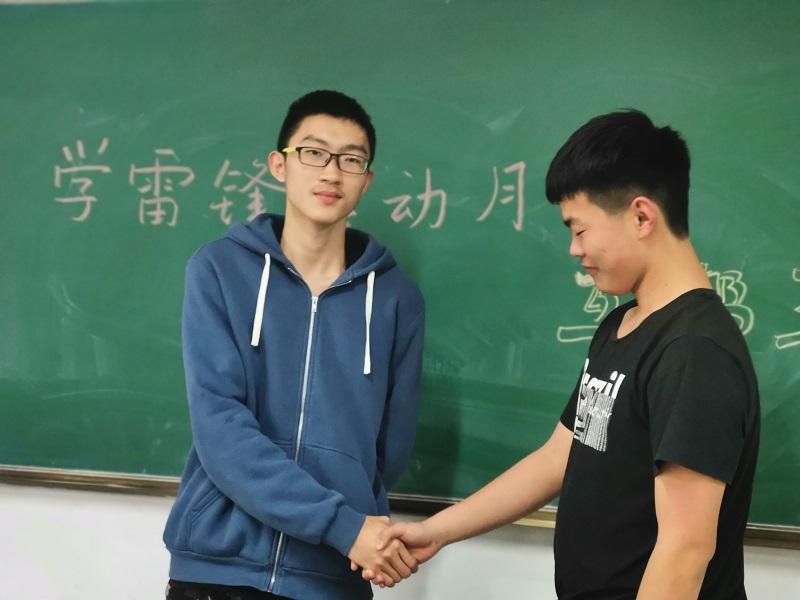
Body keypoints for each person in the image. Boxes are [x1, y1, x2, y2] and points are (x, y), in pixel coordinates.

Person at [367, 109, 760, 599]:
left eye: (579, 228)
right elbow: (561, 454)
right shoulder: (622, 324)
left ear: (641, 217)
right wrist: (438, 531)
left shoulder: (694, 352)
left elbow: (685, 551)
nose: (574, 249)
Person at [163, 90, 425, 600]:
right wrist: (341, 524)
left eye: (350, 159)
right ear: (279, 165)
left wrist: (346, 528)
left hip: (331, 577)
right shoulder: (218, 270)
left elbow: (388, 451)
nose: (331, 172)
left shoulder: (398, 299)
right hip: (218, 571)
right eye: (314, 153)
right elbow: (219, 427)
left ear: (367, 180)